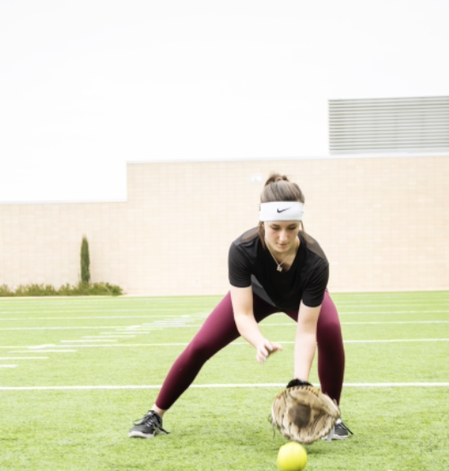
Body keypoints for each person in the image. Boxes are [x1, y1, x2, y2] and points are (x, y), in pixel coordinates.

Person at [129, 173, 351, 439]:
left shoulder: (316, 262)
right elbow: (242, 314)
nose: (283, 237)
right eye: (275, 227)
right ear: (262, 221)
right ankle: (155, 414)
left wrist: (299, 384)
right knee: (201, 344)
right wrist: (258, 340)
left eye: (292, 228)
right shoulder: (242, 249)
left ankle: (332, 415)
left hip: (298, 298)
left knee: (329, 327)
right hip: (257, 297)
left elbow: (306, 331)